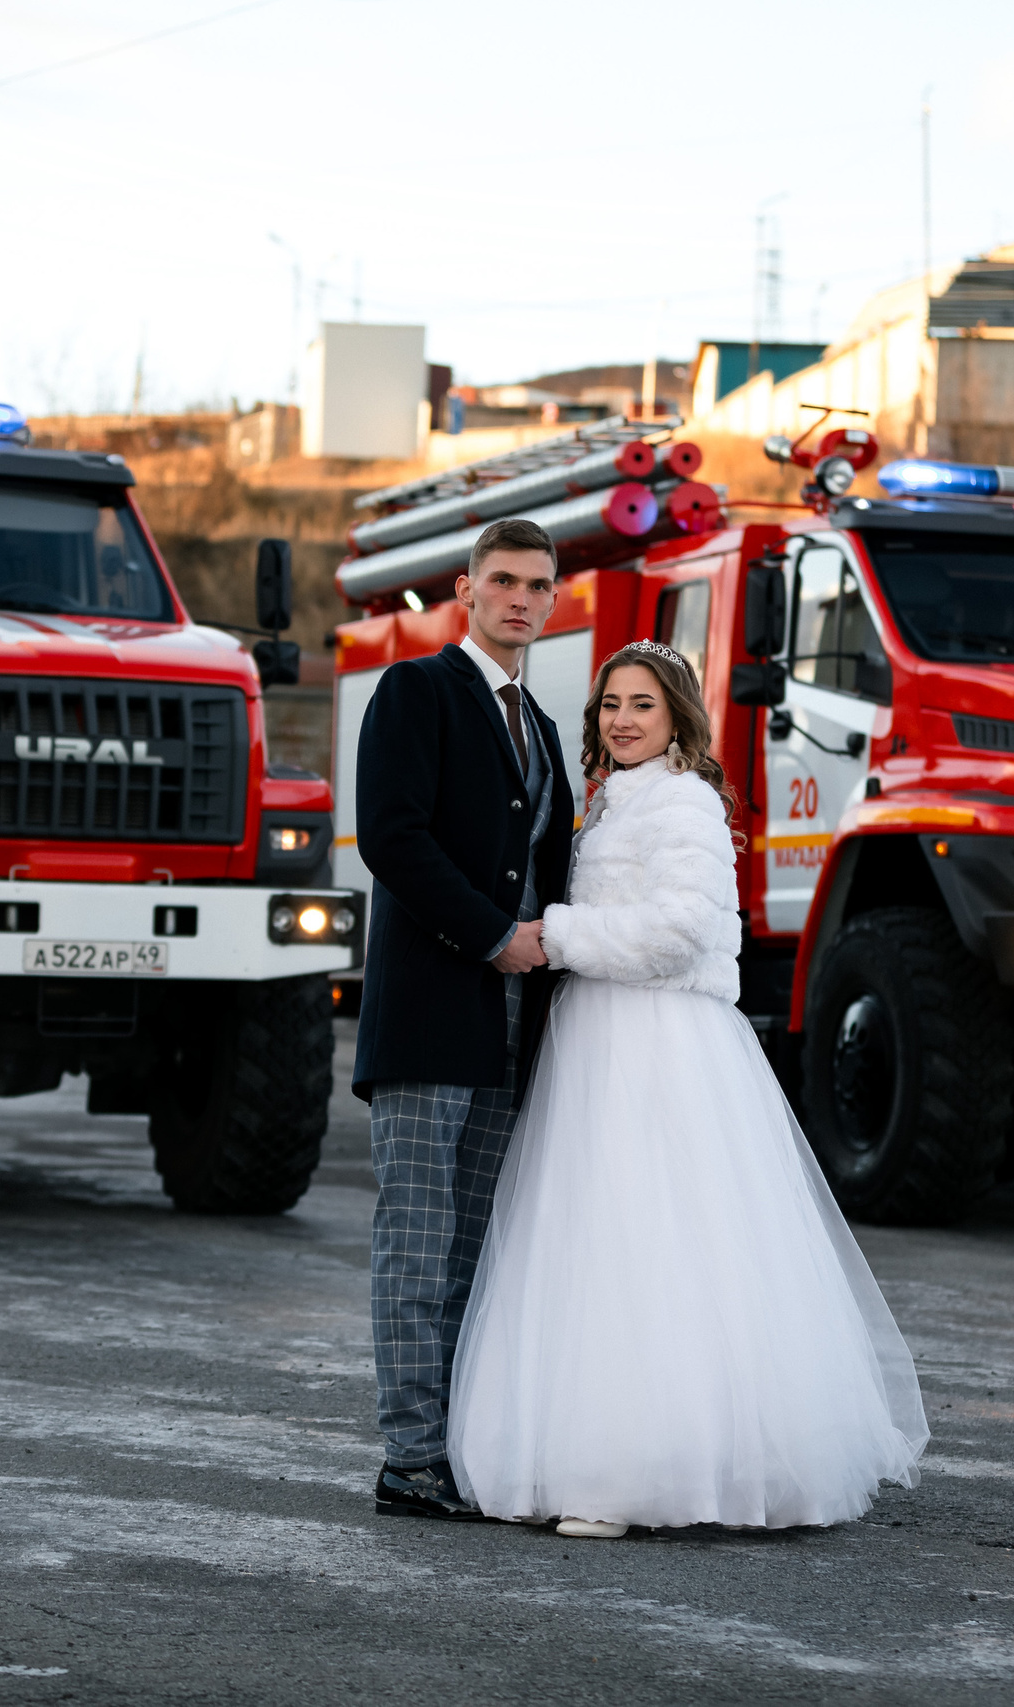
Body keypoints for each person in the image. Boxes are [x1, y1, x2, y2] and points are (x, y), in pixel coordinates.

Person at [446, 639, 929, 1537]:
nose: (622, 720)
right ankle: (586, 1451)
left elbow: (681, 930)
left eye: (643, 704)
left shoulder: (686, 800)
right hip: (596, 1038)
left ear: (677, 716)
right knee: (591, 1241)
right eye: (610, 704)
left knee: (656, 1239)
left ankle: (637, 1474)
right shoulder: (611, 800)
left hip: (659, 1042)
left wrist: (557, 934)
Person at [352, 516, 576, 1521]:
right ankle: (409, 1458)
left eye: (537, 585)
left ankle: (459, 1449)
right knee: (416, 1237)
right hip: (431, 1008)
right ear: (466, 590)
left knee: (472, 1249)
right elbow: (392, 838)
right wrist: (492, 935)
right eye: (504, 581)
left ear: (553, 599)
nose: (520, 599)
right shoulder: (417, 689)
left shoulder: (543, 726)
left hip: (512, 1021)